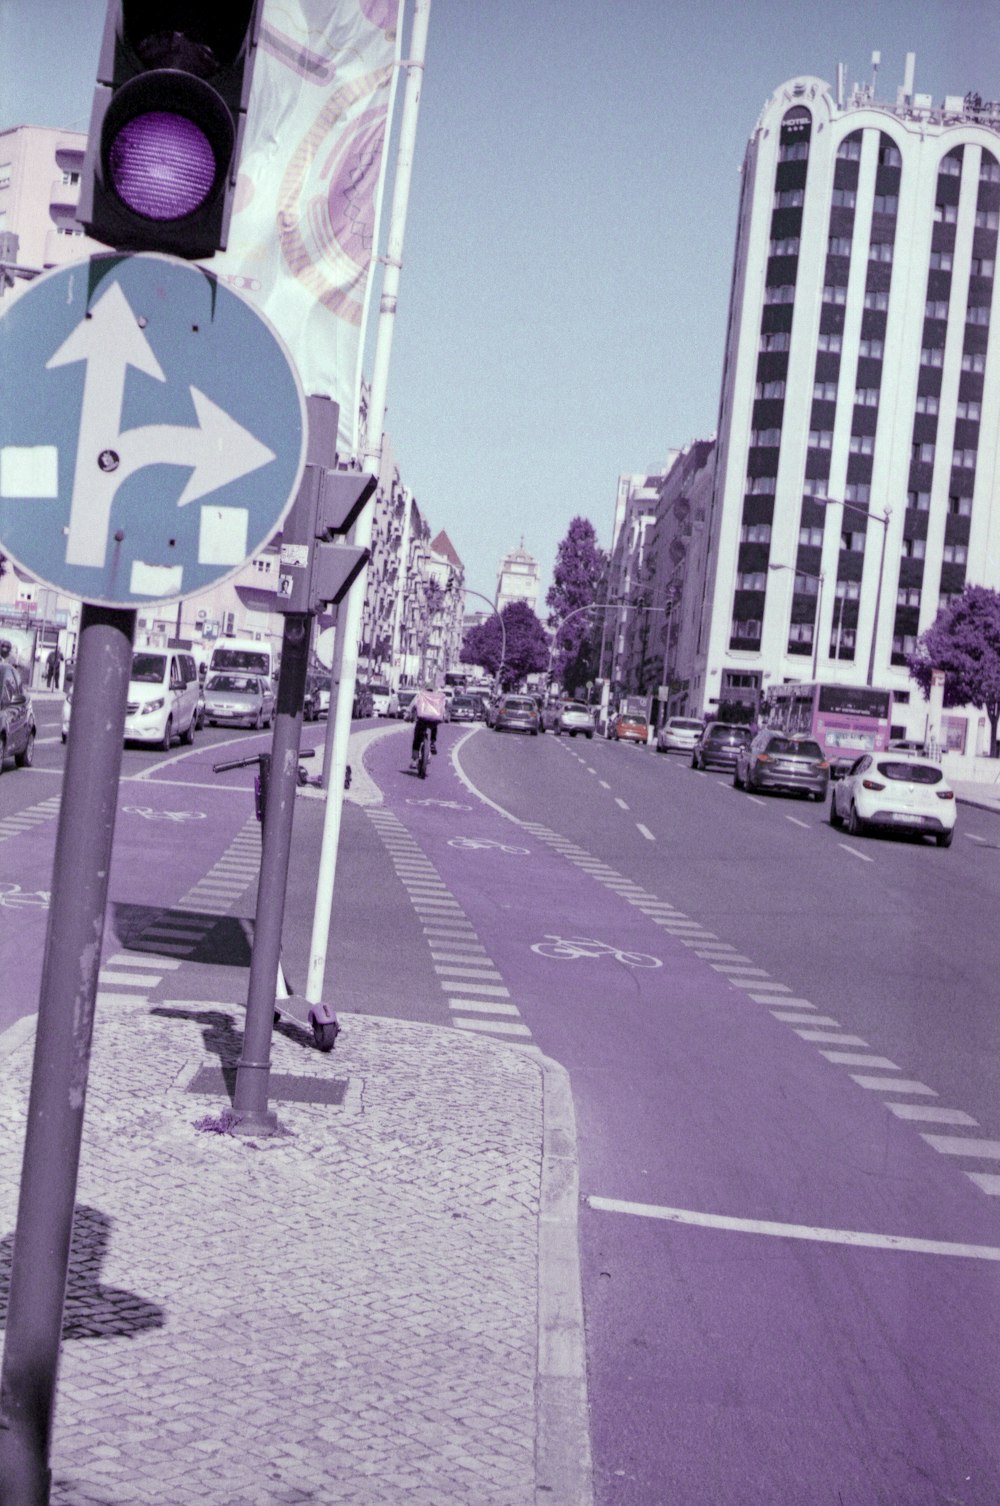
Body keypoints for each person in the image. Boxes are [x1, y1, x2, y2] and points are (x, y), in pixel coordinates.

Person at [409, 682, 446, 768]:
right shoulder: (438, 696)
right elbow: (442, 708)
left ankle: (414, 760)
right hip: (434, 720)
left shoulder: (421, 695)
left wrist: (409, 714)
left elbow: (413, 705)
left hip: (422, 719)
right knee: (434, 727)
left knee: (417, 739)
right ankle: (432, 742)